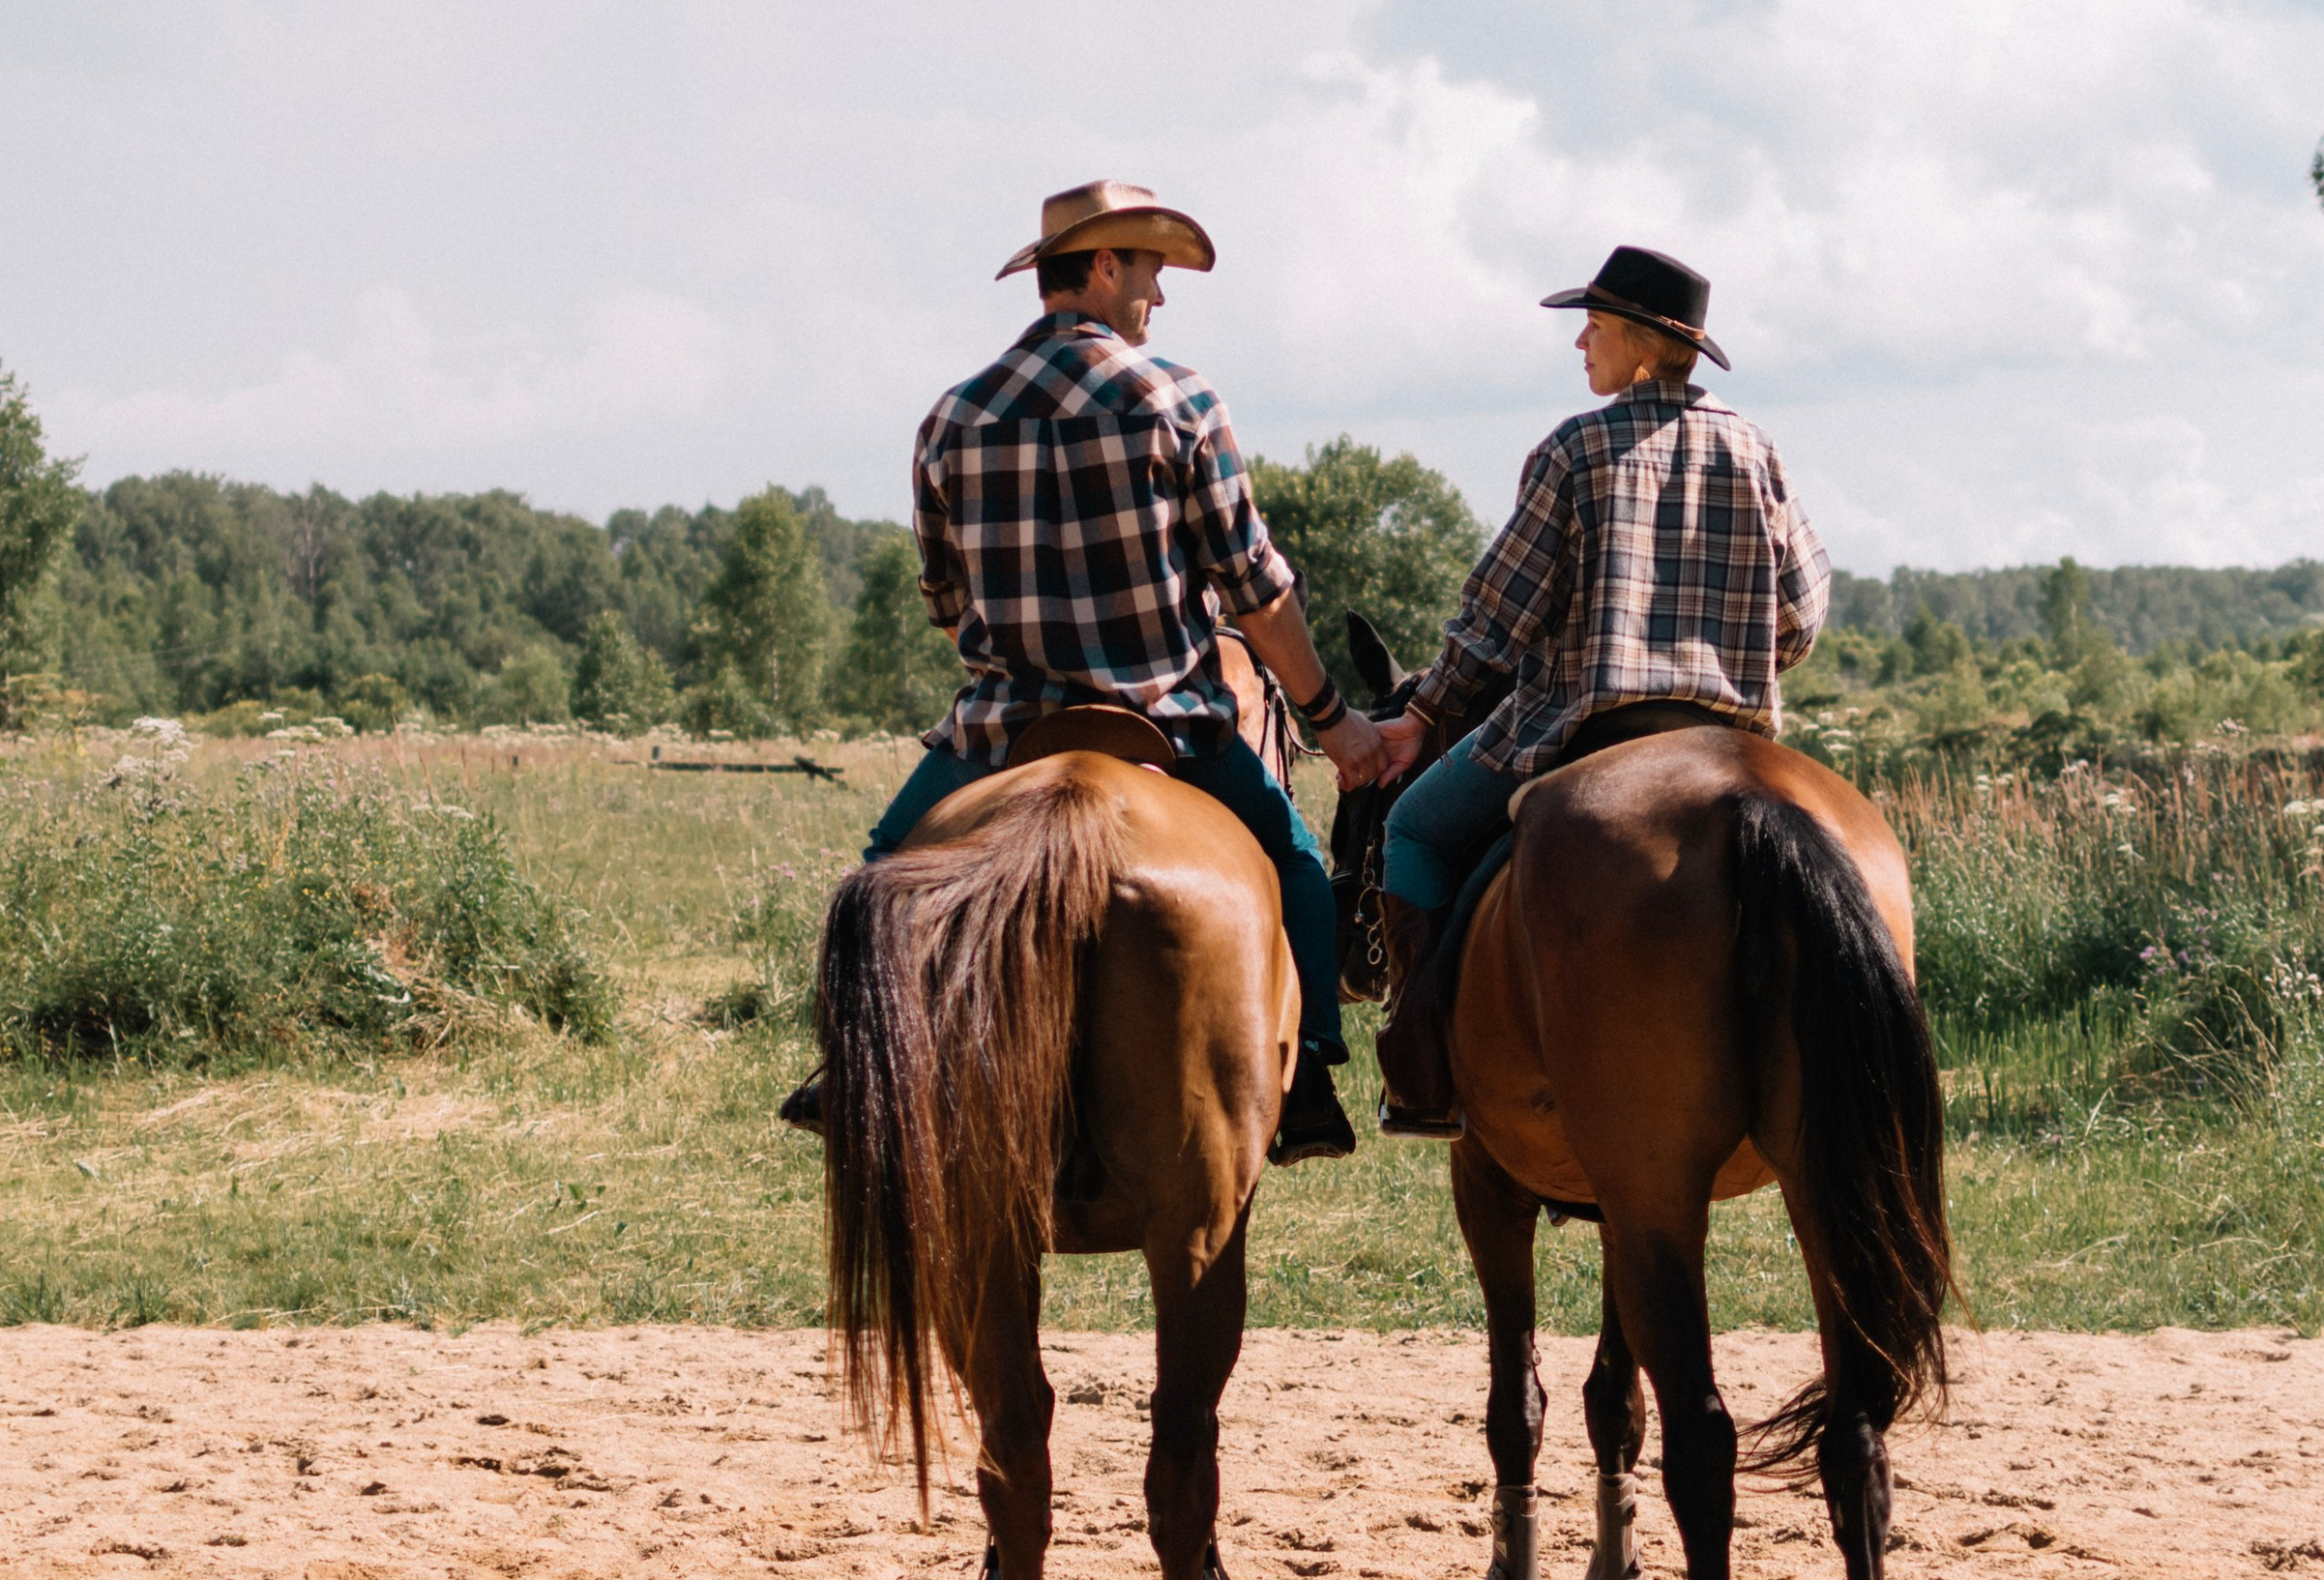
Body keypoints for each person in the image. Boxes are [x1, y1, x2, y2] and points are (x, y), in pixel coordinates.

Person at [781, 179, 1385, 1163]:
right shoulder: (1180, 397)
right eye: (1149, 269)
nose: (1159, 295)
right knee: (1297, 870)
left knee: (878, 877)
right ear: (1103, 265)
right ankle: (1310, 1070)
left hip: (1002, 735)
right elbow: (1255, 593)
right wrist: (1328, 718)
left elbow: (946, 606)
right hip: (1174, 730)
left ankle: (845, 1070)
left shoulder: (952, 414)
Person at [1369, 243, 1830, 1138]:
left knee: (1413, 828)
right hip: (1725, 736)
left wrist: (1421, 712)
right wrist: (1725, 664)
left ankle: (1421, 1057)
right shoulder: (1755, 447)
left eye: (1597, 327)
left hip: (1585, 731)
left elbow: (1499, 616)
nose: (1581, 343)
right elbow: (1803, 613)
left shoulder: (1576, 451)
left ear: (1646, 348)